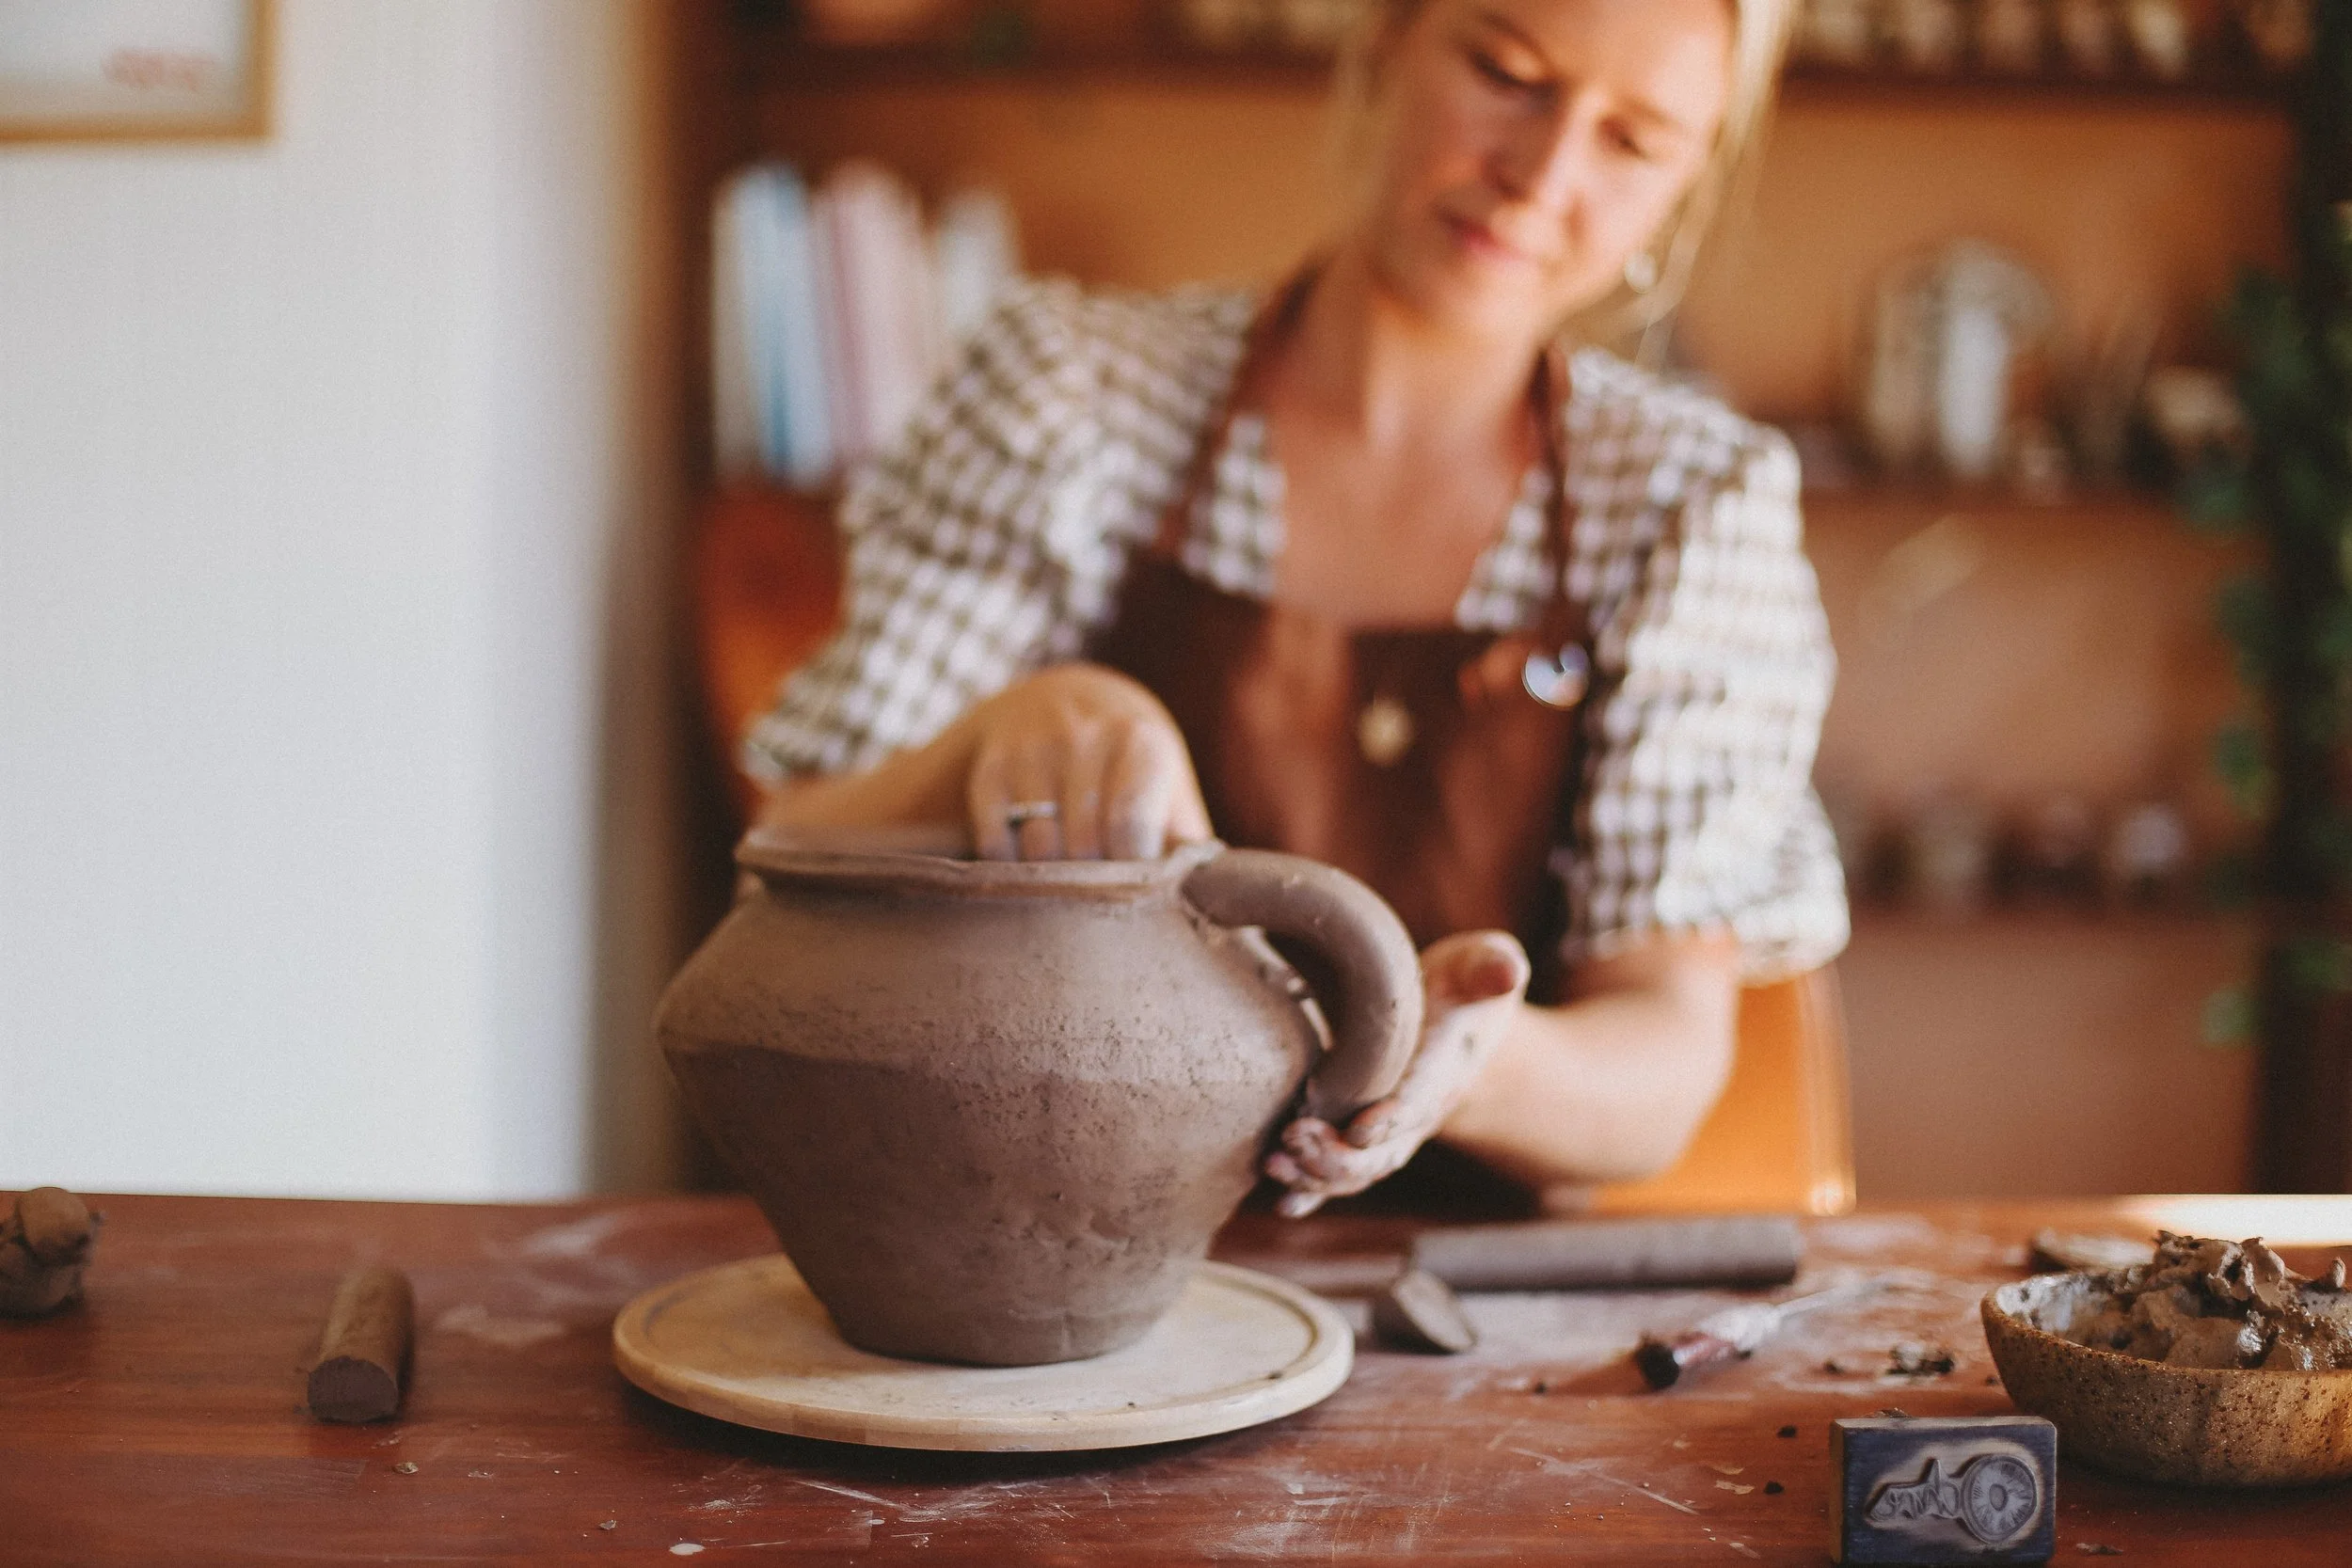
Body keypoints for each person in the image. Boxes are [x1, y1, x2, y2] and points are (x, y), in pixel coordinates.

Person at [741, 0, 1847, 1214]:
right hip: (1042, 1225)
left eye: (1632, 141)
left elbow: (1662, 1060)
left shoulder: (1690, 503)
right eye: (1505, 71)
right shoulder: (1072, 398)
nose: (1540, 174)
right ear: (1381, 41)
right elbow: (793, 849)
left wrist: (1469, 1058)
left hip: (1458, 1302)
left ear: (1686, 187)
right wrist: (1034, 721)